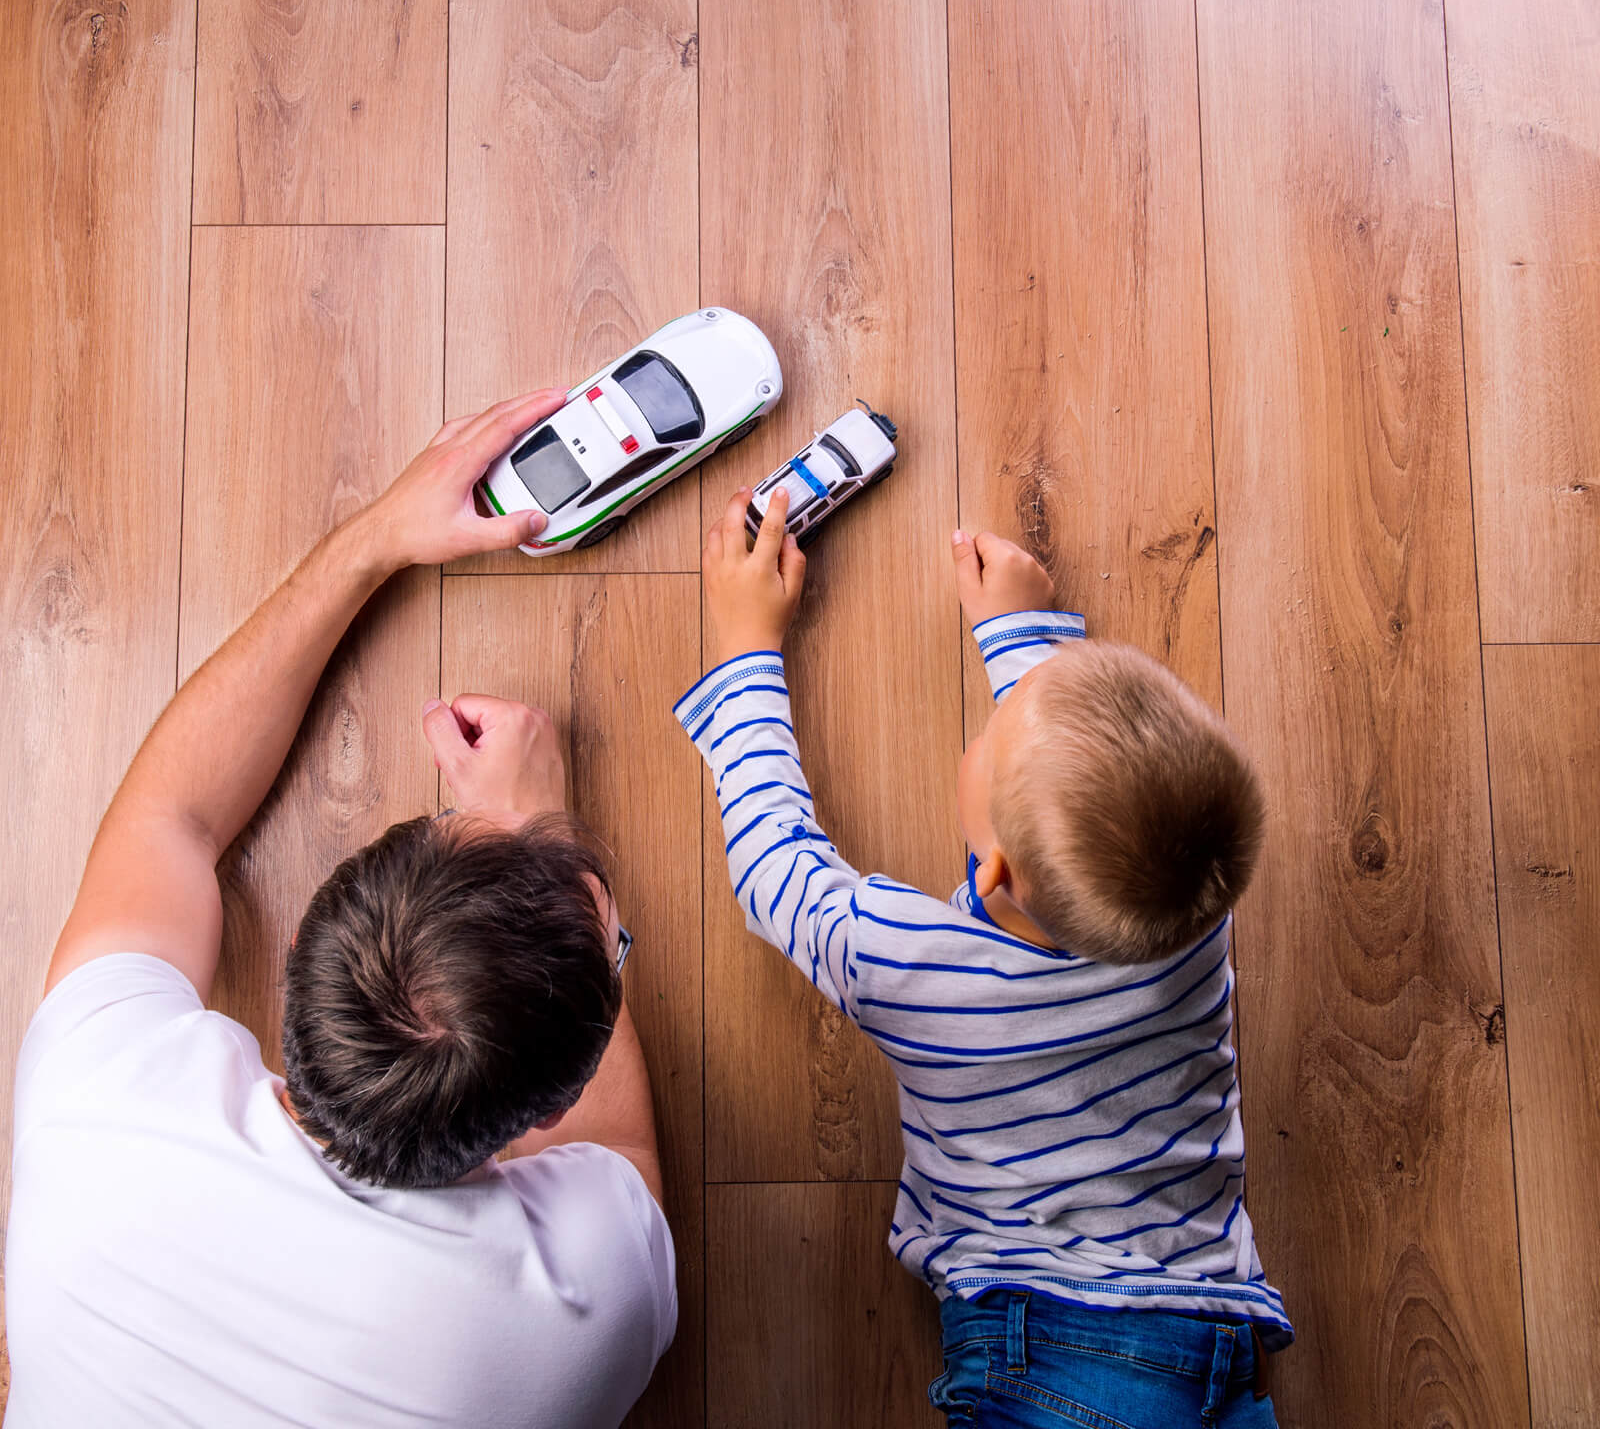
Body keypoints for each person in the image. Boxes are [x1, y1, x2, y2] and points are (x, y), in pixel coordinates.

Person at [5, 392, 676, 1429]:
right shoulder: (577, 1313)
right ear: (549, 1112)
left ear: (298, 955)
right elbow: (622, 1164)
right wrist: (537, 826)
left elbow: (169, 817)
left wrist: (373, 540)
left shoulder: (99, 1096)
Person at [676, 485, 1289, 1427]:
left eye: (991, 738)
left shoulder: (910, 972)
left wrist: (744, 647)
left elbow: (776, 869)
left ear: (993, 864)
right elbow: (1101, 803)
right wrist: (1022, 635)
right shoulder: (1193, 907)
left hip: (1051, 1355)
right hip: (1213, 1318)